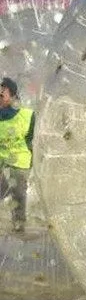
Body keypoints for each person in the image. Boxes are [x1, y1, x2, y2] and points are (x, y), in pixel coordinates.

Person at [0, 77, 34, 234]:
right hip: (2, 162)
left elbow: (30, 139)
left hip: (19, 162)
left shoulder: (27, 115)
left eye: (2, 94)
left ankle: (19, 222)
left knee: (18, 192)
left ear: (13, 96)